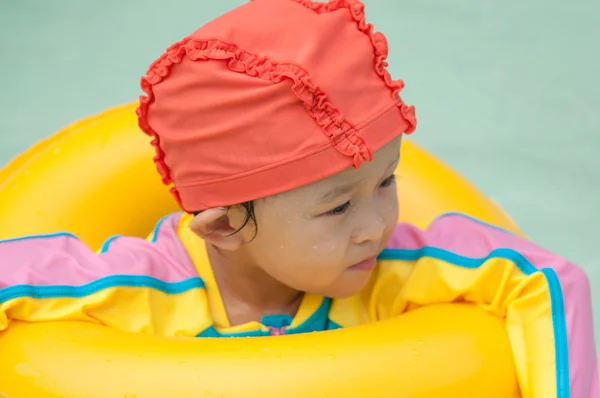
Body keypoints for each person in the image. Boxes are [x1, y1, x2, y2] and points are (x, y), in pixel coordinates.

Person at [0, 0, 596, 395]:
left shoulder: (401, 269)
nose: (376, 226)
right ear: (223, 227)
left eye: (386, 182)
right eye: (338, 207)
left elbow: (544, 277)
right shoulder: (139, 290)